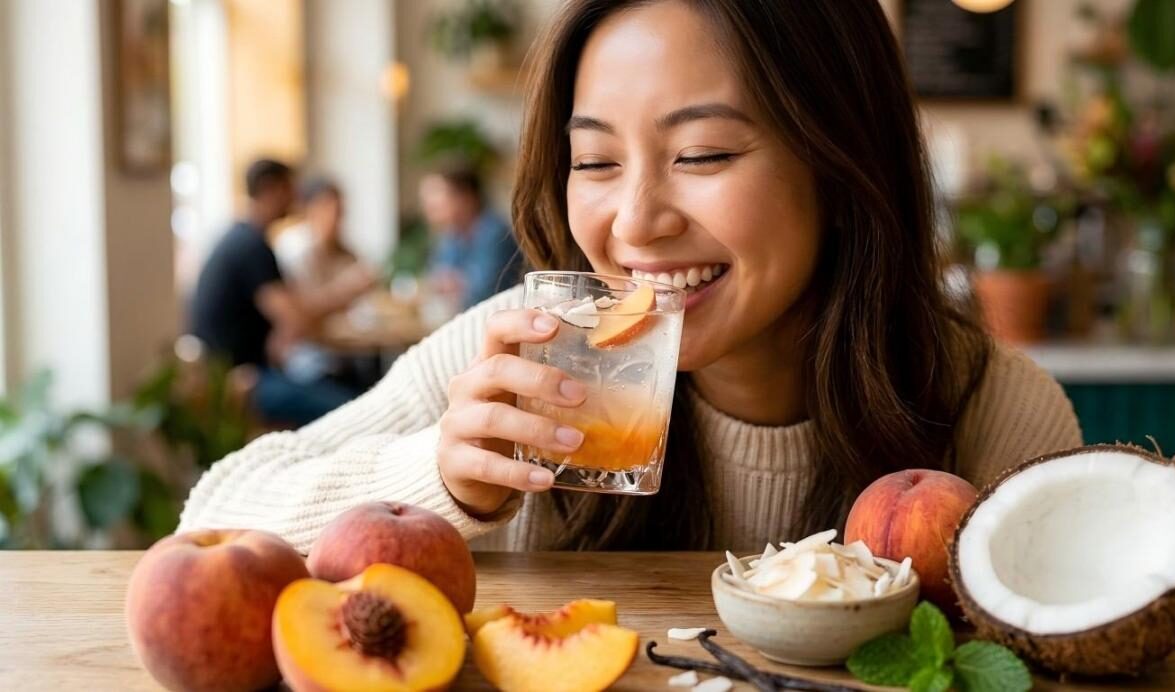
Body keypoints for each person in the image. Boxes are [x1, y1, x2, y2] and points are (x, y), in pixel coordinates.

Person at [179, 1, 1082, 553]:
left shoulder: (989, 408)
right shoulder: (528, 355)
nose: (637, 223)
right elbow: (209, 520)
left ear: (842, 170)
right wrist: (441, 480)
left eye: (703, 153)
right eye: (597, 163)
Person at [188, 159, 370, 427]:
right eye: (290, 188)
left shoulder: (240, 238)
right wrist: (346, 292)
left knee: (351, 390)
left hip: (243, 374)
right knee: (355, 410)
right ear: (270, 189)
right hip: (243, 382)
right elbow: (297, 319)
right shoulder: (251, 247)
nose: (296, 198)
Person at [272, 177, 380, 389]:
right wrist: (346, 290)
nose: (334, 218)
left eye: (339, 212)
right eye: (326, 209)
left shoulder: (343, 251)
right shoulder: (293, 249)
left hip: (339, 353)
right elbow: (301, 315)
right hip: (304, 359)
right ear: (307, 209)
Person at [420, 164, 521, 311]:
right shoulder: (452, 234)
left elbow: (481, 291)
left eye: (437, 195)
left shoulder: (495, 233)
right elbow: (436, 279)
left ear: (466, 197)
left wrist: (452, 284)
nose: (429, 205)